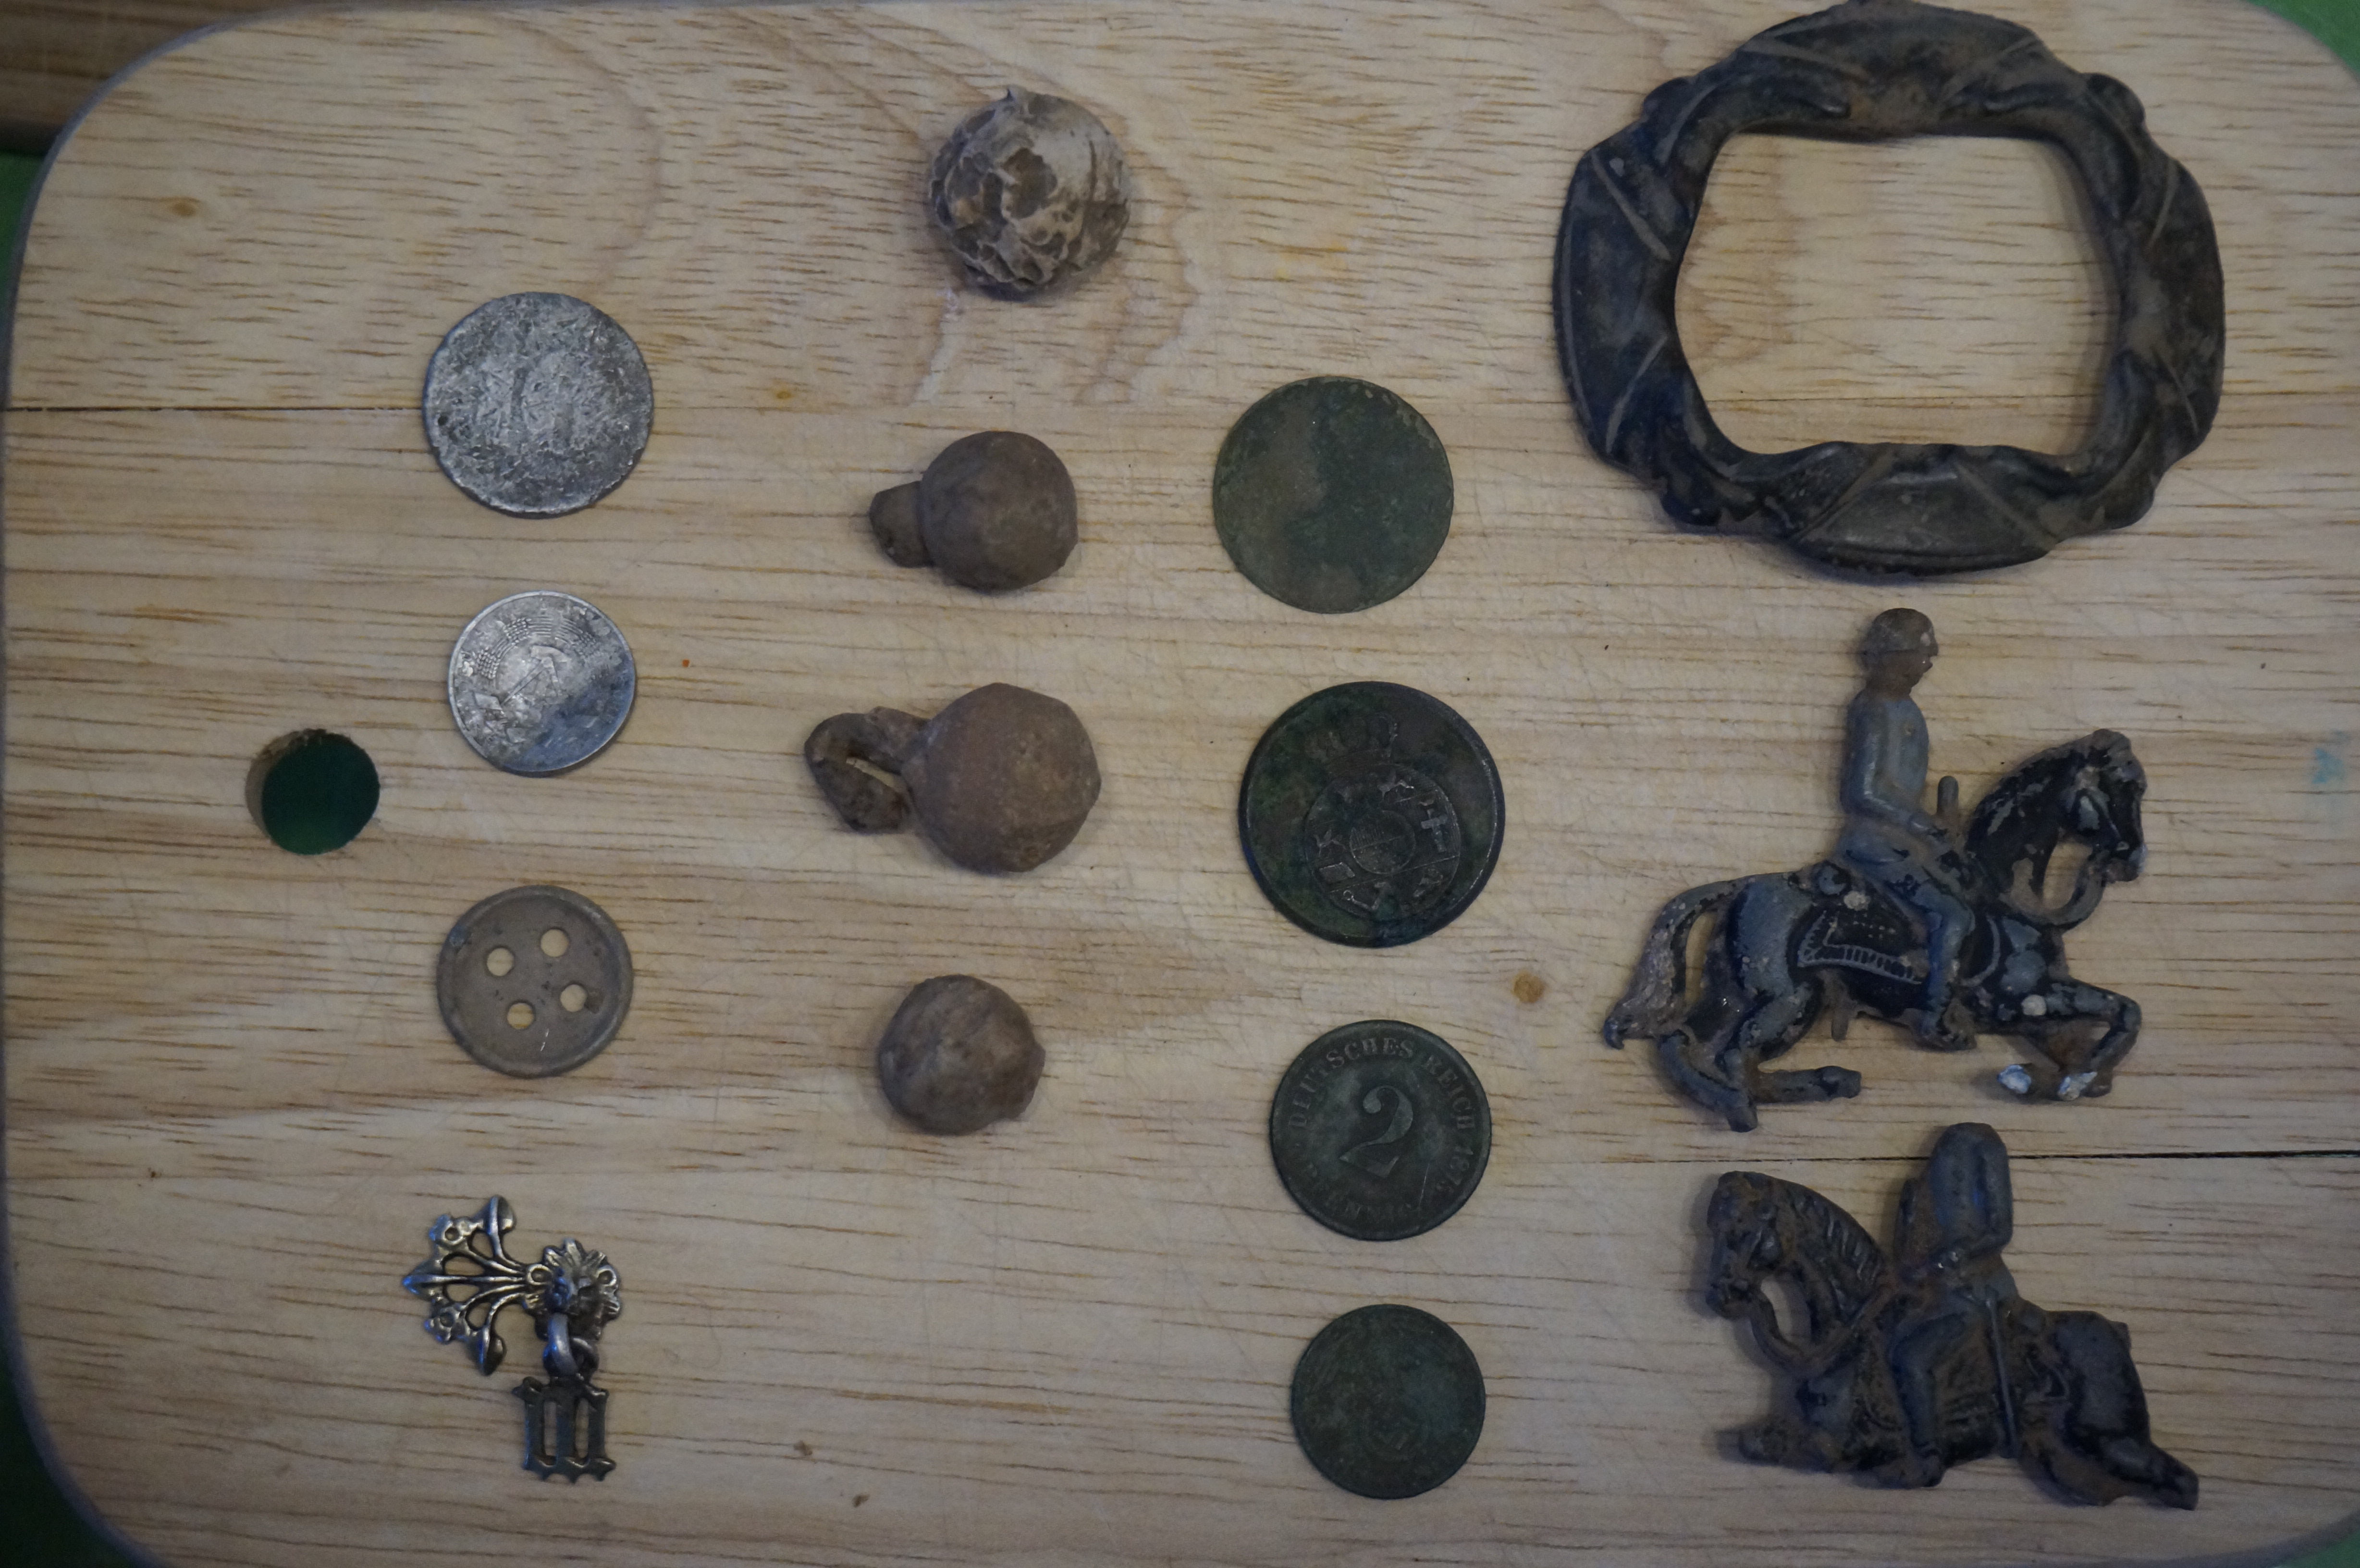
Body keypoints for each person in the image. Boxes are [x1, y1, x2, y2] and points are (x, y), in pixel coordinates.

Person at [1835, 608, 1975, 1048]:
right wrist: (1921, 824)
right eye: (1921, 653)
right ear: (1891, 655)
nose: (1928, 664)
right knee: (1952, 914)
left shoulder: (1904, 708)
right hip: (1877, 845)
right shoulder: (1874, 709)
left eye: (1930, 654)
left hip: (1905, 842)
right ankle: (1935, 1015)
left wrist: (1937, 824)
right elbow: (1862, 791)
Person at [1883, 1122, 2018, 1486]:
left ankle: (1928, 1455)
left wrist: (1955, 1256)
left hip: (1975, 1294)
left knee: (1913, 1359)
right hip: (1931, 1295)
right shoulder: (1924, 1184)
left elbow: (2001, 1230)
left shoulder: (1982, 1144)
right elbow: (1911, 1247)